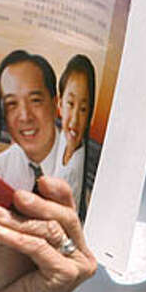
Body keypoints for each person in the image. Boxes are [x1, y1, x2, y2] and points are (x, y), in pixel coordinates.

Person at [0, 50, 83, 205]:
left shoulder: (77, 161)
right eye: (12, 104)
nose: (25, 116)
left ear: (55, 105)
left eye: (35, 100)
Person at [57, 55, 97, 221]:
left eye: (83, 109)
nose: (74, 120)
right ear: (59, 104)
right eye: (71, 104)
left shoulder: (76, 173)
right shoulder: (58, 140)